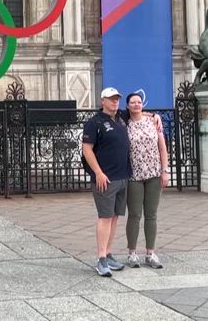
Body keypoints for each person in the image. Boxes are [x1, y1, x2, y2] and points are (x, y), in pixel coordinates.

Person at [81, 87, 131, 277]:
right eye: (111, 99)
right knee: (105, 217)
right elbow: (87, 149)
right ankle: (101, 258)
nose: (115, 102)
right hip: (105, 178)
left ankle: (109, 254)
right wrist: (98, 173)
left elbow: (139, 111)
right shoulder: (94, 122)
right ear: (103, 101)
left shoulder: (121, 118)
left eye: (117, 98)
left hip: (122, 176)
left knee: (115, 216)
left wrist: (154, 116)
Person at [123, 92, 168, 269]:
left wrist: (165, 171)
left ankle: (150, 253)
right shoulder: (124, 123)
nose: (136, 104)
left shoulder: (153, 122)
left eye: (139, 102)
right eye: (132, 102)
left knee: (151, 214)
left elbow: (162, 148)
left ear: (143, 104)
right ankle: (132, 253)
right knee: (134, 214)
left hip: (154, 173)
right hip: (134, 175)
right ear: (127, 106)